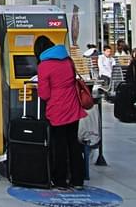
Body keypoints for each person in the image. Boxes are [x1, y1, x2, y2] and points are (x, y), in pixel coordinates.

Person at [34, 35, 86, 190]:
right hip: (73, 107)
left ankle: (60, 181)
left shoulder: (44, 65)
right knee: (73, 144)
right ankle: (78, 180)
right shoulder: (68, 60)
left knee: (59, 145)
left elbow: (44, 95)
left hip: (57, 109)